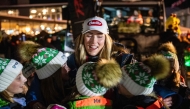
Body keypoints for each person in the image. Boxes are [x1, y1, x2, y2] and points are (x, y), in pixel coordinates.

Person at [19, 16, 134, 108]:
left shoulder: (121, 60)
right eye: (89, 35)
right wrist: (34, 101)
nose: (94, 41)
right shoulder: (69, 62)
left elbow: (142, 87)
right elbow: (42, 83)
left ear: (106, 38)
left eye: (100, 36)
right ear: (82, 38)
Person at [17, 41, 70, 108]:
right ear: (53, 73)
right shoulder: (39, 83)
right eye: (64, 66)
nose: (69, 68)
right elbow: (33, 94)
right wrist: (33, 103)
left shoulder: (72, 80)